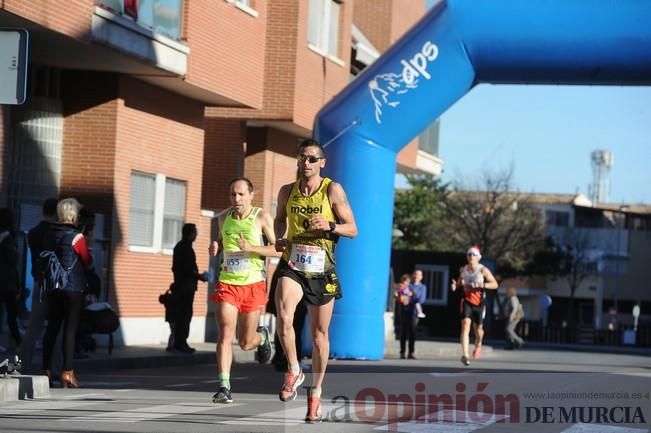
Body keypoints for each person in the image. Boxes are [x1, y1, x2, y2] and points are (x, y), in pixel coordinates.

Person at [273, 138, 358, 423]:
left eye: (311, 159)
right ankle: (294, 370)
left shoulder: (332, 189)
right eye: (301, 158)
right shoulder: (287, 191)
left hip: (322, 270)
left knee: (319, 337)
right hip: (293, 265)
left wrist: (329, 225)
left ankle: (316, 392)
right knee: (284, 315)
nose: (305, 163)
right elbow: (278, 219)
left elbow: (353, 229)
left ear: (322, 162)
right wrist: (279, 239)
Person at [209, 177, 280, 404]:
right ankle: (224, 386)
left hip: (253, 285)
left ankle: (262, 338)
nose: (236, 199)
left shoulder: (261, 217)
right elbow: (220, 241)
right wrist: (216, 246)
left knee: (245, 342)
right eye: (233, 194)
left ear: (251, 195)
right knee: (225, 334)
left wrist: (251, 247)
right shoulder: (224, 218)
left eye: (241, 194)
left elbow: (279, 250)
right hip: (227, 283)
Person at [41, 198, 94, 388]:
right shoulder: (77, 237)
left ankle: (45, 370)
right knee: (70, 330)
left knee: (52, 328)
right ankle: (68, 372)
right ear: (73, 215)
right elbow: (87, 261)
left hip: (53, 286)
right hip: (73, 288)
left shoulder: (48, 233)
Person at [21, 198, 59, 372]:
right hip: (56, 284)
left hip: (39, 281)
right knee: (56, 328)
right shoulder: (57, 233)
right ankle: (54, 368)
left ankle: (24, 366)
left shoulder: (33, 232)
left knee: (33, 328)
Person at [450, 245, 498, 366]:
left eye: (474, 254)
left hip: (479, 303)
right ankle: (465, 355)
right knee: (465, 326)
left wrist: (483, 285)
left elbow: (495, 284)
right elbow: (460, 282)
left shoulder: (483, 270)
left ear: (478, 257)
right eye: (469, 254)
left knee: (478, 330)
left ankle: (478, 343)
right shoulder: (463, 269)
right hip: (466, 301)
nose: (471, 256)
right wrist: (455, 286)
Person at [171, 223, 208, 354]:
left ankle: (179, 342)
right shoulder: (185, 248)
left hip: (182, 286)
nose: (196, 235)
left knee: (183, 315)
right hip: (185, 288)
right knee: (185, 315)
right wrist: (200, 276)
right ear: (190, 233)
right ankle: (180, 343)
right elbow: (187, 269)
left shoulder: (180, 247)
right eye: (195, 232)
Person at [0, 208, 23, 353]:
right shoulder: (7, 238)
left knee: (7, 313)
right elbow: (14, 259)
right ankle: (18, 342)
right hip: (6, 282)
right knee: (11, 314)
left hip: (5, 281)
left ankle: (17, 341)